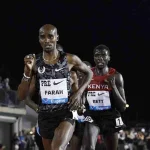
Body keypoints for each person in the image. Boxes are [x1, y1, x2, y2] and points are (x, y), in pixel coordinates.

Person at [17, 24, 93, 150]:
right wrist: (27, 72)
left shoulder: (69, 59)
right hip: (45, 117)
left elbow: (89, 73)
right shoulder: (35, 62)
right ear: (39, 39)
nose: (47, 40)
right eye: (43, 37)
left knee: (57, 148)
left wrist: (79, 93)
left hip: (65, 113)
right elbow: (21, 96)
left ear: (57, 37)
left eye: (50, 36)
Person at [81, 44, 127, 150]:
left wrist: (113, 86)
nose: (100, 58)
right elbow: (82, 96)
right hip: (93, 115)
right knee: (88, 147)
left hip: (110, 115)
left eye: (103, 55)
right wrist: (80, 104)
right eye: (97, 55)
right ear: (93, 58)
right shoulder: (88, 75)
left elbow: (123, 107)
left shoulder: (116, 76)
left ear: (109, 57)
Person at [68, 61, 92, 150]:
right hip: (74, 122)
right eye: (82, 71)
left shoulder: (93, 88)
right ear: (78, 72)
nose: (84, 74)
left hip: (89, 123)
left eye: (88, 71)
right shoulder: (70, 84)